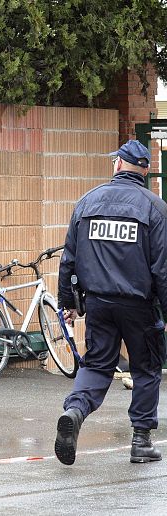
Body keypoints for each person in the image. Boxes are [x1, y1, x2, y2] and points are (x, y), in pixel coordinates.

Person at [55, 140, 167, 465]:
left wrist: (70, 302)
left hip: (99, 304)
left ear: (118, 164)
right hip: (139, 307)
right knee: (145, 369)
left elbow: (69, 259)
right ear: (144, 171)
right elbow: (163, 268)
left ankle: (75, 411)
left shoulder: (88, 202)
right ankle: (141, 441)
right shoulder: (155, 208)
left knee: (98, 365)